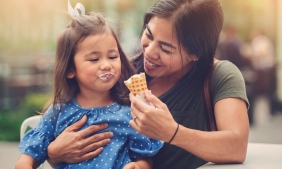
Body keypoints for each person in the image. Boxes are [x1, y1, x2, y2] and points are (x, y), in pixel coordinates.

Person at [46, 0, 250, 169]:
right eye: (149, 35)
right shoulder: (122, 72)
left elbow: (236, 147)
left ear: (195, 54)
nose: (150, 52)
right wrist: (54, 153)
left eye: (166, 48)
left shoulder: (219, 76)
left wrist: (172, 132)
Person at [15, 11, 162, 169]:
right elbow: (25, 160)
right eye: (94, 59)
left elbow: (145, 158)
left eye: (112, 56)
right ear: (70, 69)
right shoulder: (58, 112)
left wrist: (138, 166)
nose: (106, 65)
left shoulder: (130, 110)